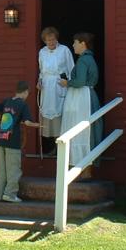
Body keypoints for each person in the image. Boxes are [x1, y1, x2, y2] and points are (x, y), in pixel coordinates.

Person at [0, 81, 41, 203]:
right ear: (25, 92)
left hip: (1, 139)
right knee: (14, 170)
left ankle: (0, 194)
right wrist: (38, 125)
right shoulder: (22, 105)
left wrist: (4, 118)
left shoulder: (7, 101)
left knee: (2, 170)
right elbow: (27, 122)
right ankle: (10, 194)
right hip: (13, 141)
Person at [59, 32, 102, 171]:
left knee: (80, 129)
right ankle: (85, 168)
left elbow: (80, 81)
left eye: (75, 42)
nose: (73, 45)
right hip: (87, 94)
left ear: (83, 44)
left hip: (82, 97)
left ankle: (80, 168)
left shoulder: (83, 60)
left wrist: (67, 82)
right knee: (86, 130)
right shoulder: (89, 59)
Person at [37, 26, 75, 154]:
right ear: (44, 41)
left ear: (56, 38)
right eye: (48, 40)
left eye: (53, 39)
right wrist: (40, 81)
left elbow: (71, 69)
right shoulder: (42, 52)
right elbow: (42, 71)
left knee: (61, 115)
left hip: (60, 85)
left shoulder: (64, 50)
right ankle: (54, 147)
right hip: (47, 88)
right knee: (49, 117)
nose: (51, 42)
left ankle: (63, 148)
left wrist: (69, 83)